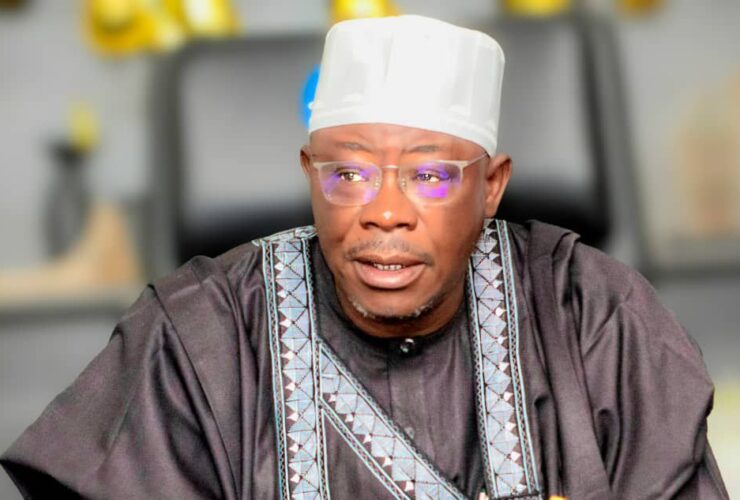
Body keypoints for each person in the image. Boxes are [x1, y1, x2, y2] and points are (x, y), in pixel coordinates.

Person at [1, 15, 728, 500]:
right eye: (347, 174)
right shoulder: (198, 339)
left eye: (431, 176)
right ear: (309, 173)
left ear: (491, 186)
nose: (384, 210)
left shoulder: (594, 318)